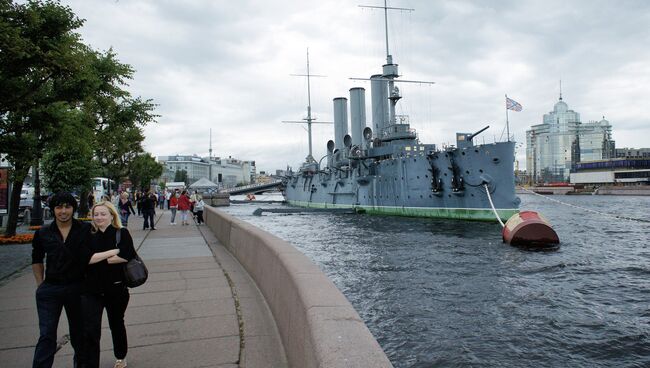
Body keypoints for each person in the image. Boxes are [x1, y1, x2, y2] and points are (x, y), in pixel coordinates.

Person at [31, 193, 96, 367]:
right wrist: (40, 285)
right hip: (51, 289)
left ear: (73, 208)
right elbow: (36, 259)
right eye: (59, 207)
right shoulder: (43, 233)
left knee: (80, 334)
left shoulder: (85, 229)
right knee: (46, 335)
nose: (63, 211)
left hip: (78, 288)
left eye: (67, 207)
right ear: (53, 210)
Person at [81, 201, 136, 368]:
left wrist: (99, 257)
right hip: (92, 290)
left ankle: (121, 356)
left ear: (112, 215)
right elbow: (86, 259)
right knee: (91, 328)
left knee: (116, 324)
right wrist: (114, 251)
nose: (99, 217)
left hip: (116, 288)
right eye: (96, 214)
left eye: (103, 214)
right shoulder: (88, 235)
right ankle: (91, 362)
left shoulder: (121, 233)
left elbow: (128, 255)